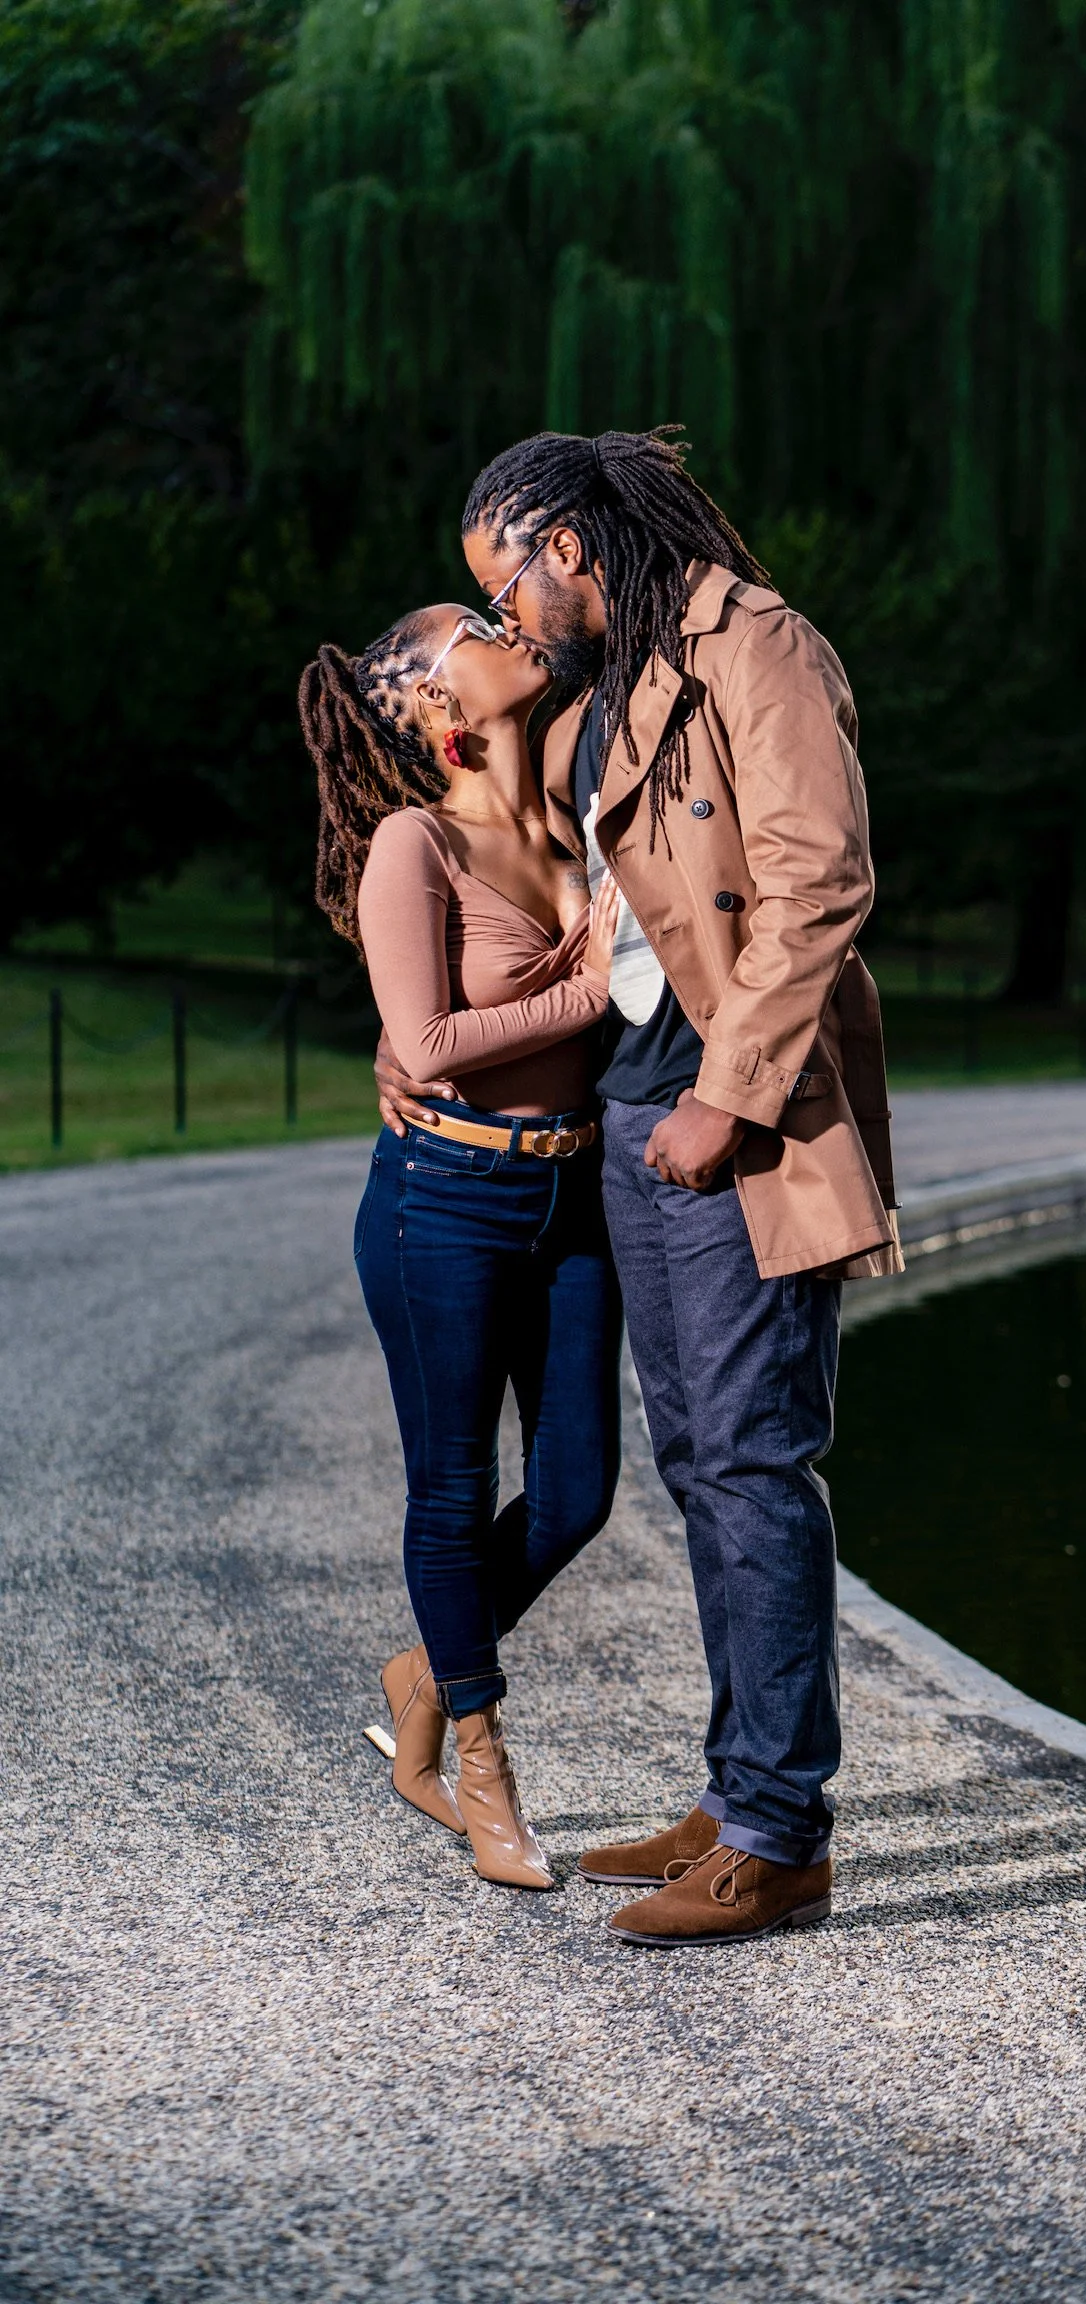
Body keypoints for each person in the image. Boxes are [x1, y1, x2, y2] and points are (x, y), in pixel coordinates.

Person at [379, 429, 902, 1946]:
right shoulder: (607, 692)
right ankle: (739, 1797)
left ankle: (779, 1834)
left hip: (734, 1128)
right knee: (699, 1466)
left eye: (507, 587)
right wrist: (414, 1036)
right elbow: (565, 910)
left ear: (570, 544)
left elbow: (819, 878)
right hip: (631, 1128)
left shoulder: (757, 646)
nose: (508, 618)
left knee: (752, 1462)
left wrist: (726, 1095)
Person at [298, 602, 623, 1891]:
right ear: (439, 707)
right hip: (442, 1198)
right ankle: (475, 1768)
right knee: (451, 1488)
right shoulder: (413, 843)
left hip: (574, 1196)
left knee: (578, 1492)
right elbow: (426, 1047)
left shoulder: (581, 819)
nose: (510, 625)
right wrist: (590, 986)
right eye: (478, 628)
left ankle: (427, 1670)